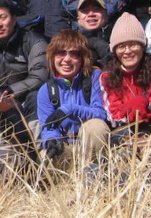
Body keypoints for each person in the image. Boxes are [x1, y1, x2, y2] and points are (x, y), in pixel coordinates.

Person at [36, 30, 109, 167]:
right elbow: (47, 126)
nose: (67, 59)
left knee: (97, 126)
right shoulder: (46, 90)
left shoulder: (95, 78)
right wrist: (52, 140)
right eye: (60, 53)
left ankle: (92, 173)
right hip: (66, 146)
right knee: (45, 157)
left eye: (74, 54)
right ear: (52, 56)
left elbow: (101, 114)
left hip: (90, 145)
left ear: (83, 58)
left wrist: (69, 109)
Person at [100, 13, 151, 133]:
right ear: (114, 50)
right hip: (123, 131)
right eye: (121, 46)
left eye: (133, 45)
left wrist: (146, 106)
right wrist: (129, 109)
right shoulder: (107, 77)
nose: (127, 51)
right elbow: (113, 116)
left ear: (143, 46)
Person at [75, 0, 111, 69]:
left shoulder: (116, 42)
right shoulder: (70, 44)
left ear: (106, 16)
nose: (91, 14)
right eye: (85, 10)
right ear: (78, 19)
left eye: (96, 9)